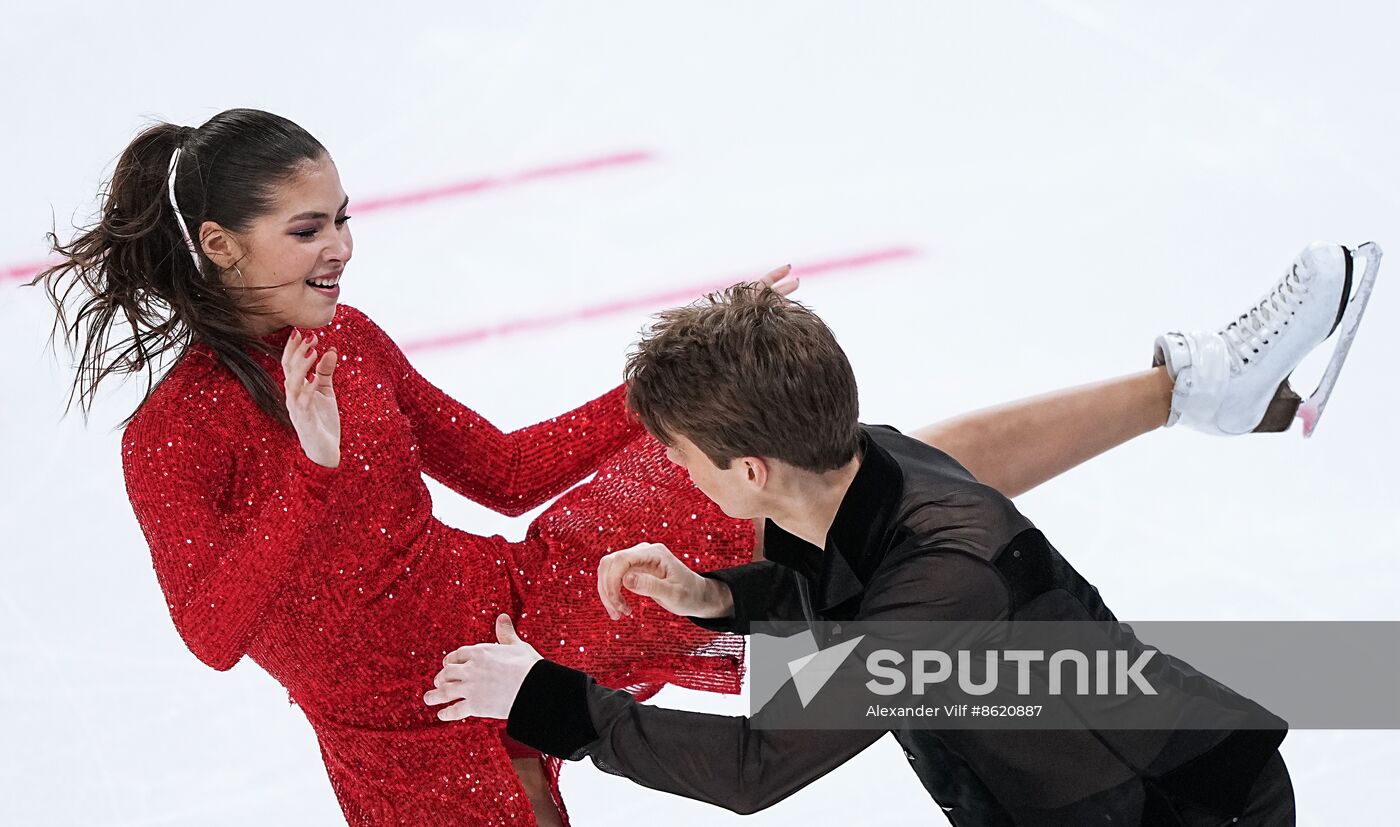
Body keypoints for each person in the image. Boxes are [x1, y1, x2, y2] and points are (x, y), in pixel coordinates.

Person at [33, 106, 1370, 825]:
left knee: (860, 485)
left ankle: (1193, 386)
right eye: (311, 229)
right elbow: (213, 632)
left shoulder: (357, 339)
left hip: (549, 600)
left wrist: (669, 383)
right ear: (218, 243)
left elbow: (499, 471)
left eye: (347, 220)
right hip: (412, 742)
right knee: (900, 602)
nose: (343, 251)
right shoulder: (175, 433)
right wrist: (311, 476)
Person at [430, 246, 1379, 825]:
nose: (673, 471)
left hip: (1180, 810)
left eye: (679, 454)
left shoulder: (943, 587)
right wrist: (715, 595)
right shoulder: (861, 464)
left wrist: (545, 697)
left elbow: (755, 769)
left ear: (750, 470)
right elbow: (838, 594)